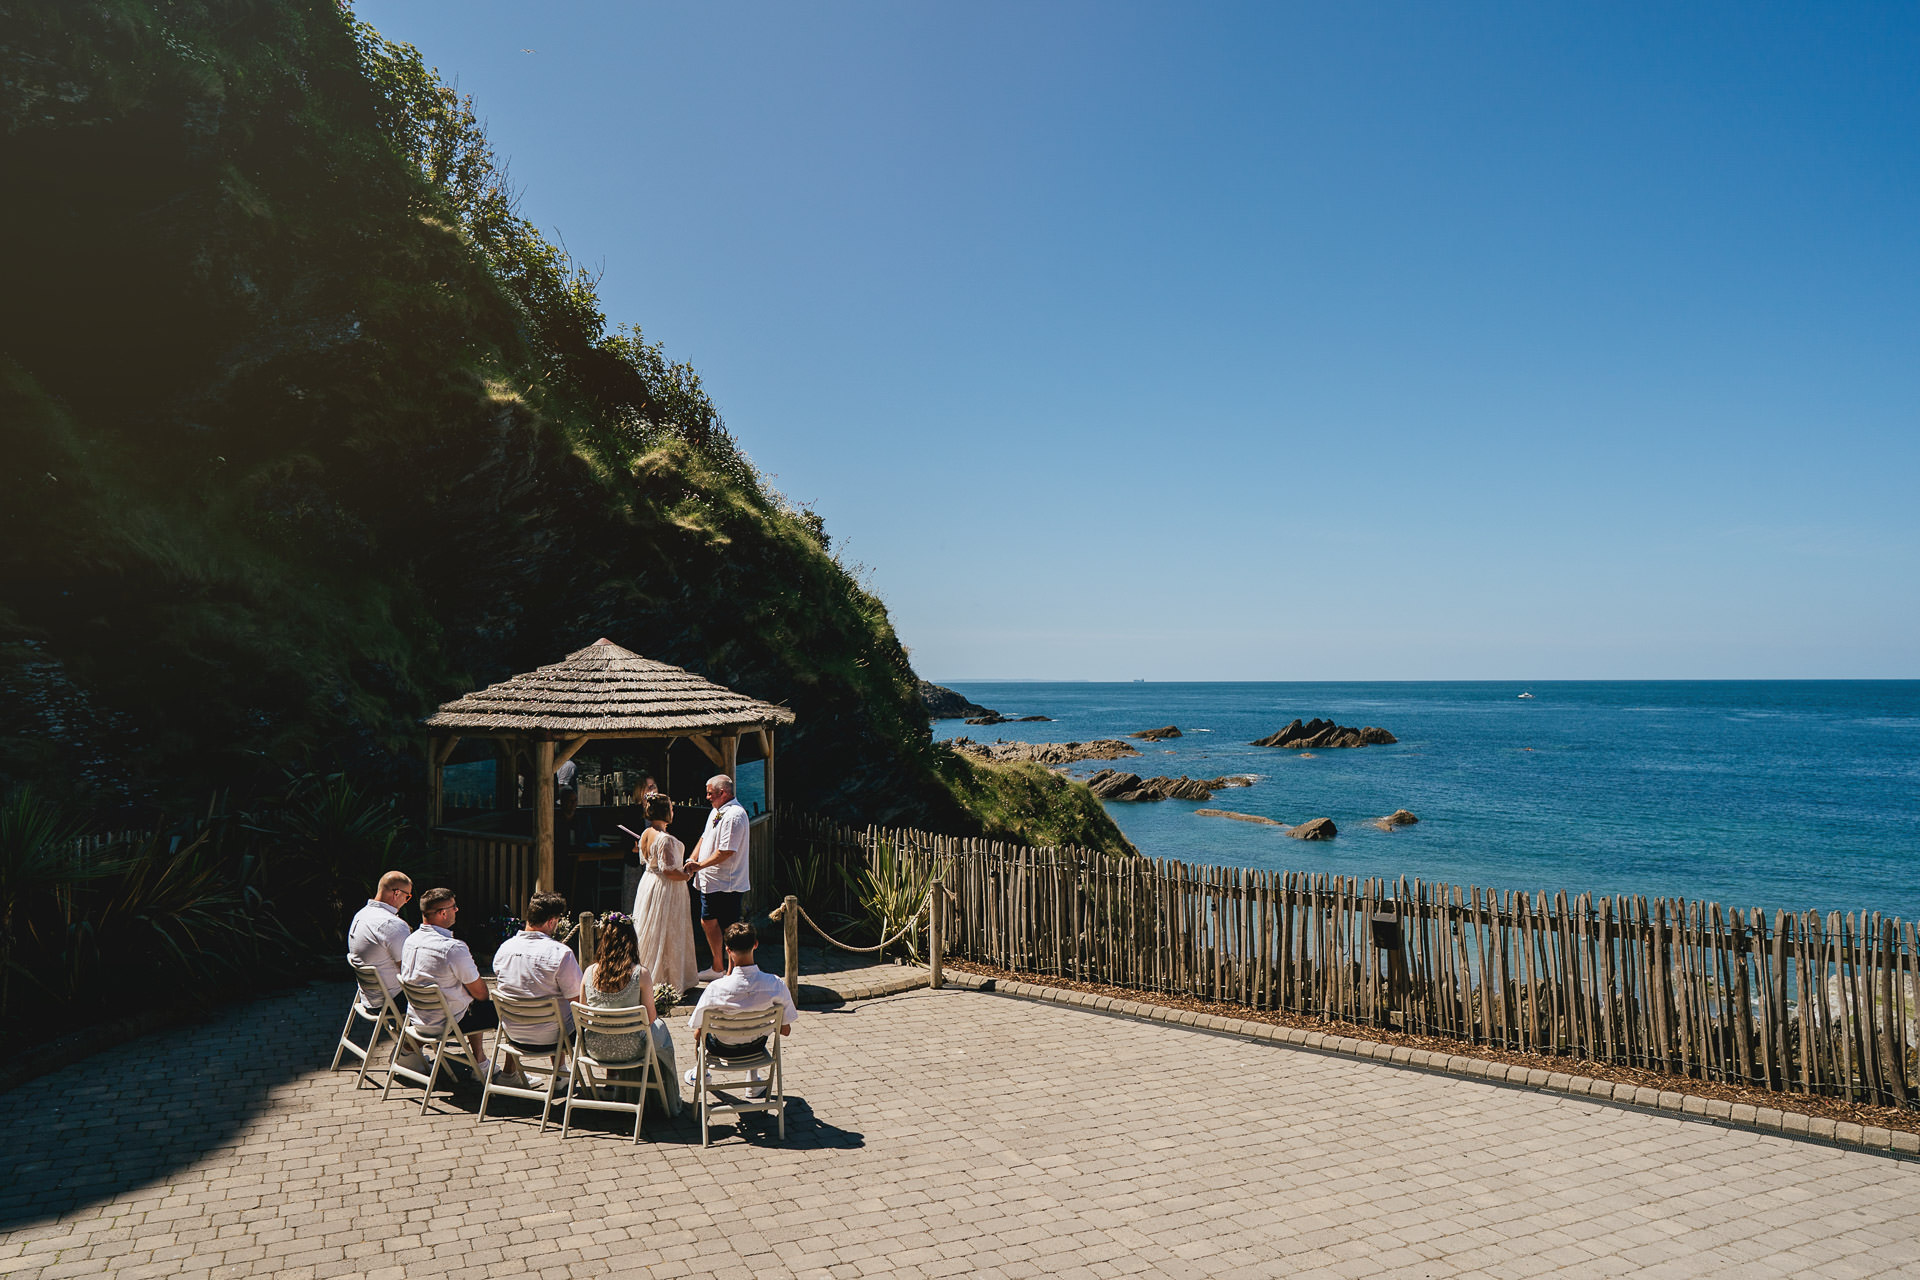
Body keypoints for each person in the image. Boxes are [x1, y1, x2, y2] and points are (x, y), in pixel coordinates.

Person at [580, 912, 678, 1113]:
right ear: (632, 941)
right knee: (661, 1030)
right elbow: (650, 1018)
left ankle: (614, 1086)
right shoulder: (640, 974)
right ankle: (661, 1098)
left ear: (604, 941)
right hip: (633, 1050)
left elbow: (582, 1015)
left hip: (595, 1048)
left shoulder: (588, 973)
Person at [686, 921, 796, 1099]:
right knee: (755, 1029)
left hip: (722, 1048)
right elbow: (785, 1030)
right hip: (756, 1048)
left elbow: (697, 1034)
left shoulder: (716, 989)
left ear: (728, 950)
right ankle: (753, 1082)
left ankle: (703, 1076)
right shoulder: (775, 984)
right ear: (756, 944)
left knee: (701, 1032)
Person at [398, 888, 497, 1078]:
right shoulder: (453, 948)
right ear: (443, 913)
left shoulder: (410, 940)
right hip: (446, 1023)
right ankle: (502, 1072)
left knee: (466, 996)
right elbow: (481, 994)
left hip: (418, 1019)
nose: (457, 910)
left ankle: (479, 1061)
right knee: (501, 1010)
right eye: (454, 907)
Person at [490, 891, 584, 1088]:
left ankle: (511, 1073)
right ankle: (562, 1075)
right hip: (550, 1037)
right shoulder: (561, 953)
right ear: (551, 922)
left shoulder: (505, 948)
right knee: (570, 1008)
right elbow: (578, 1001)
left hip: (512, 1033)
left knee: (529, 995)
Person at [684, 774, 751, 979]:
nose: (707, 797)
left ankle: (731, 971)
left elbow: (726, 851)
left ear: (723, 793)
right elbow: (704, 837)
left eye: (710, 793)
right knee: (708, 921)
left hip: (726, 882)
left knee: (730, 928)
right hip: (710, 881)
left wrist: (700, 865)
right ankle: (717, 966)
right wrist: (692, 858)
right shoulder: (716, 811)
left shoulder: (734, 815)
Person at [632, 794, 700, 990]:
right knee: (667, 931)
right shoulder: (665, 839)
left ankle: (648, 976)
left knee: (652, 929)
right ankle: (667, 980)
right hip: (666, 889)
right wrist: (688, 873)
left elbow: (647, 861)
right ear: (665, 812)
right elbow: (669, 870)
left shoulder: (646, 833)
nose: (673, 811)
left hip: (648, 884)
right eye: (671, 808)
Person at [346, 870, 412, 1007]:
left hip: (369, 997)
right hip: (390, 1000)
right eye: (408, 897)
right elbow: (410, 968)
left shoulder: (361, 914)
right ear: (397, 893)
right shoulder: (391, 923)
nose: (406, 902)